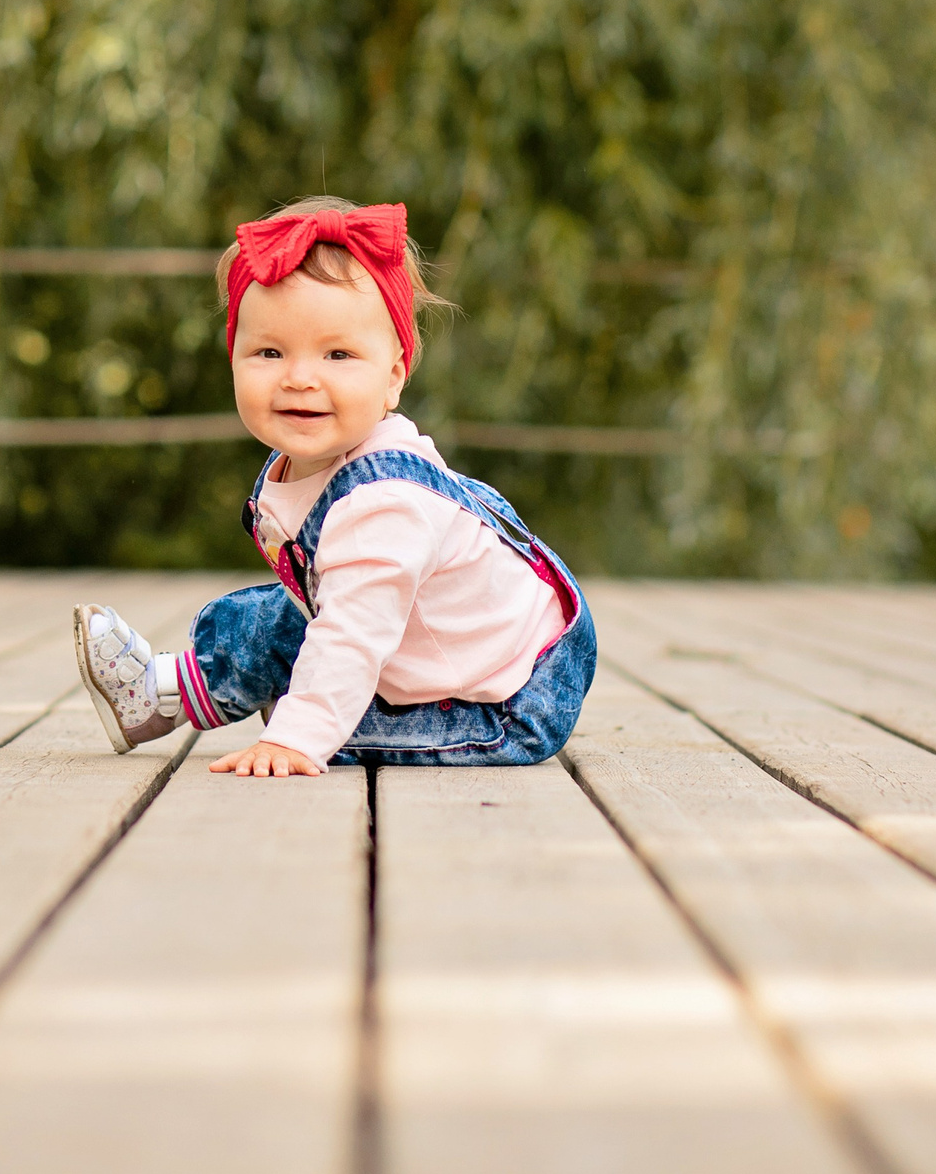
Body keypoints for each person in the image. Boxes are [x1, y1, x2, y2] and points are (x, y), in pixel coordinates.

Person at [73, 196, 596, 776]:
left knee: (311, 689)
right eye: (269, 352)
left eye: (338, 354)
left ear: (393, 377)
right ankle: (160, 692)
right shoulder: (313, 458)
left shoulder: (385, 501)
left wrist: (298, 736)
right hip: (425, 651)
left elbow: (351, 636)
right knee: (277, 619)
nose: (299, 377)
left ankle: (287, 715)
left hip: (500, 699)